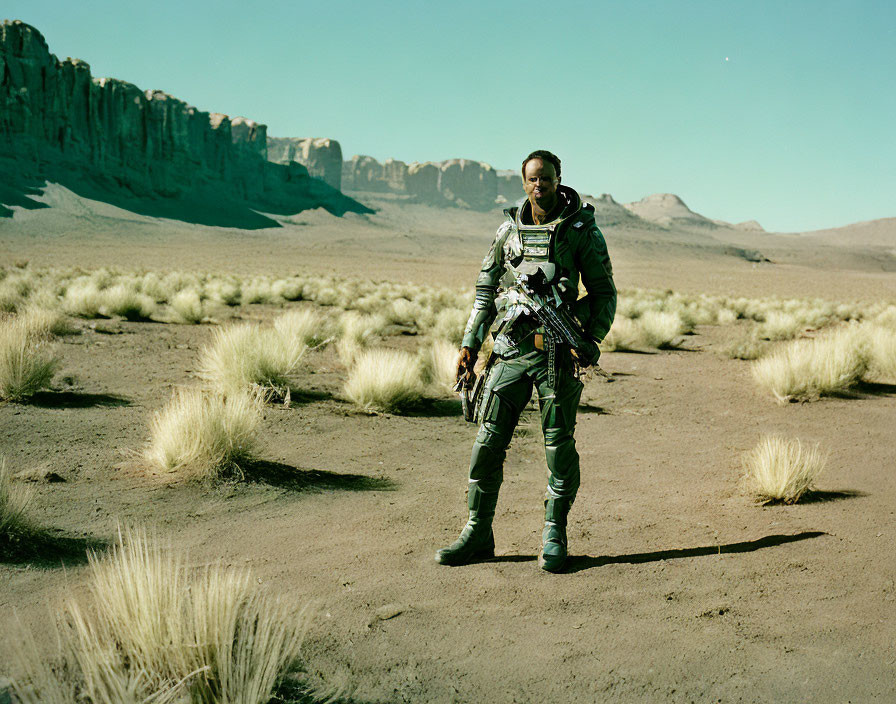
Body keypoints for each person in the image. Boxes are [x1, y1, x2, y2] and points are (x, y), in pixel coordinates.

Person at [435, 149, 616, 572]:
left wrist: (585, 334)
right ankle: (478, 531)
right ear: (523, 182)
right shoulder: (507, 232)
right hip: (510, 351)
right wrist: (469, 345)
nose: (540, 185)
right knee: (487, 443)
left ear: (558, 179)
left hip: (556, 354)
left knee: (558, 448)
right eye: (533, 178)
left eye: (547, 178)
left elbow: (604, 293)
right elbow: (485, 292)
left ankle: (555, 532)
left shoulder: (580, 230)